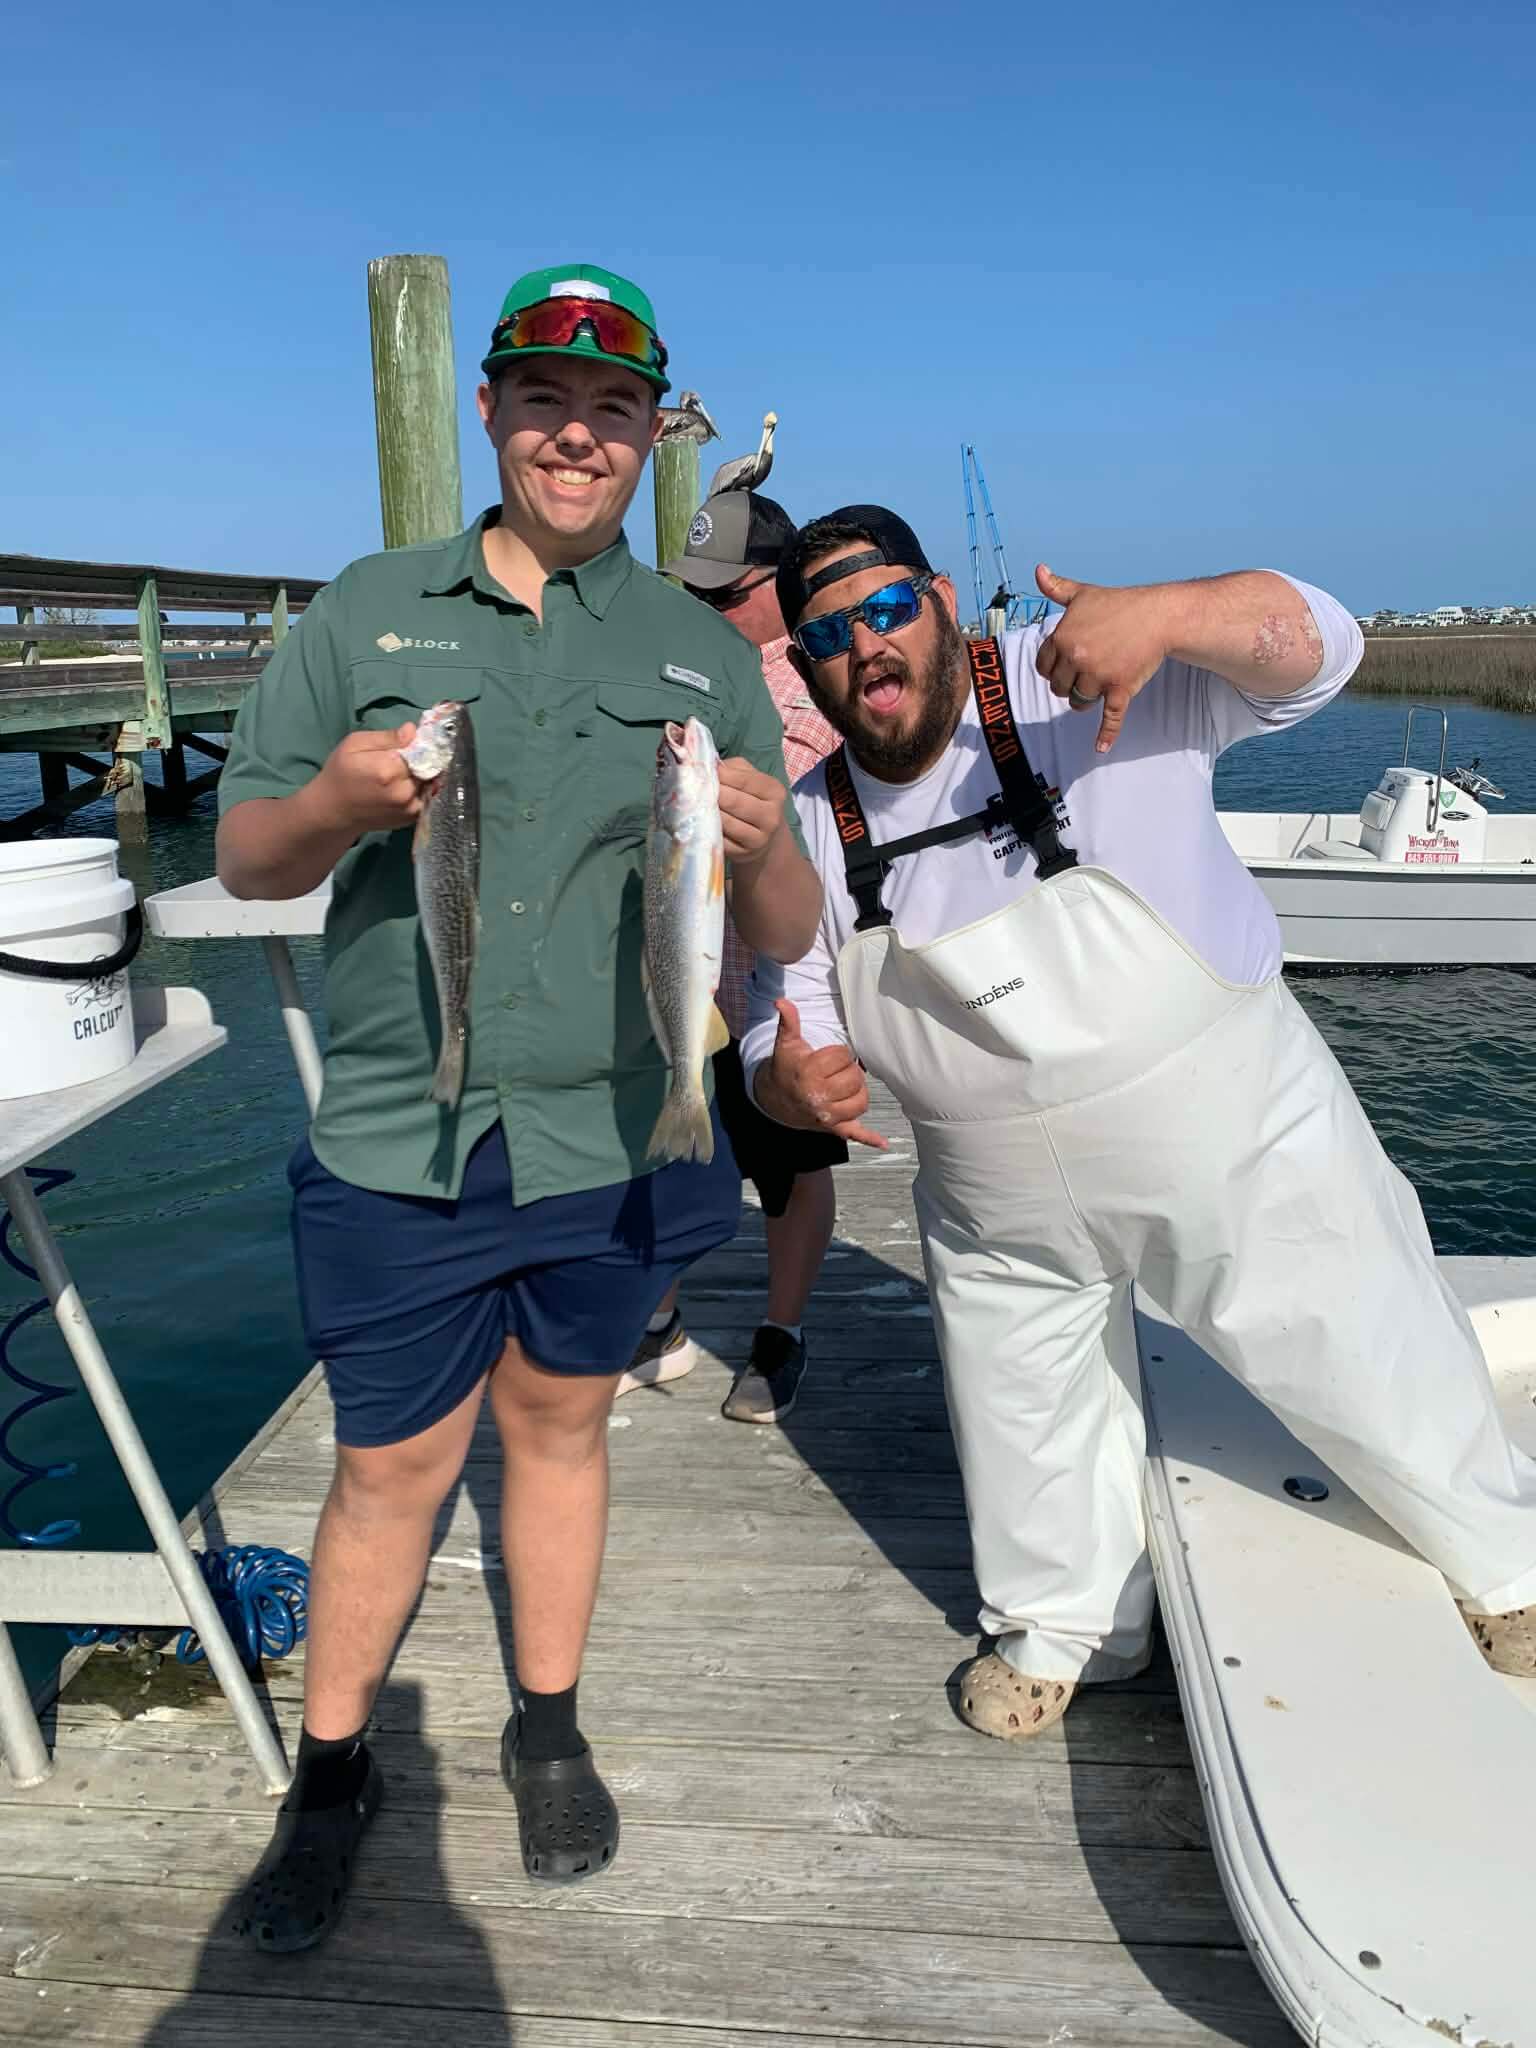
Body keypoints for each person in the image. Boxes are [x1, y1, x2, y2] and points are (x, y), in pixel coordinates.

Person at [214, 263, 821, 1948]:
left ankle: (546, 1722)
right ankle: (333, 1774)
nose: (577, 432)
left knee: (560, 1426)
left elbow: (776, 935)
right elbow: (246, 851)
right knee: (388, 1462)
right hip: (405, 1133)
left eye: (612, 406)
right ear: (490, 411)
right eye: (545, 398)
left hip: (619, 1135)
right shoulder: (363, 610)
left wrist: (763, 857)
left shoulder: (701, 652)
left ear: (649, 434)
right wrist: (337, 796)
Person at [743, 503, 1536, 1740]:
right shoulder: (805, 822)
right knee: (1024, 1416)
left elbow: (1323, 646)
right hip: (998, 1208)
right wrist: (782, 1081)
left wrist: (1172, 611)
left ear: (943, 599)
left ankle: (1505, 1560)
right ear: (803, 665)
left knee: (1365, 1334)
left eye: (889, 606)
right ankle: (1069, 1628)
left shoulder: (1091, 678)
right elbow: (774, 1002)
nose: (868, 646)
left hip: (1238, 1137)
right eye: (829, 634)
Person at [619, 487, 846, 1422]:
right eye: (691, 595)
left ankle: (780, 1333)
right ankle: (659, 1320)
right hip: (680, 969)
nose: (704, 614)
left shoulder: (812, 678)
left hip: (776, 979)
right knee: (660, 1153)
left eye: (725, 596)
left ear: (780, 583)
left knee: (793, 1165)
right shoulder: (670, 674)